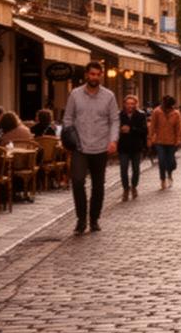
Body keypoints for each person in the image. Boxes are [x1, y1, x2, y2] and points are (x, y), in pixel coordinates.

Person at [61, 63, 121, 234]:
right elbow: (68, 118)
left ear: (101, 76)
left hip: (101, 147)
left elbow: (114, 120)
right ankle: (81, 219)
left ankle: (94, 219)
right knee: (78, 181)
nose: (94, 77)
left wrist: (113, 140)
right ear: (86, 75)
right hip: (80, 147)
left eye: (97, 74)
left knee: (98, 185)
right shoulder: (75, 94)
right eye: (92, 74)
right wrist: (69, 137)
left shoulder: (109, 96)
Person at [115, 94, 149, 198]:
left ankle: (134, 186)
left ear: (135, 105)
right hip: (123, 146)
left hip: (136, 146)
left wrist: (131, 129)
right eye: (128, 104)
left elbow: (144, 131)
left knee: (136, 169)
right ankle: (125, 188)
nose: (130, 106)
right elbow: (114, 129)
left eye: (132, 104)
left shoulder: (141, 115)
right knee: (123, 169)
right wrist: (120, 131)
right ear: (124, 104)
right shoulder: (119, 115)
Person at [149, 96, 181, 188]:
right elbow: (152, 126)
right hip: (159, 141)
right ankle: (163, 179)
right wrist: (150, 138)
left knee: (171, 162)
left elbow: (179, 128)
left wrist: (178, 140)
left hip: (172, 142)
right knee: (161, 160)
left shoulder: (176, 113)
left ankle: (170, 174)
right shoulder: (157, 112)